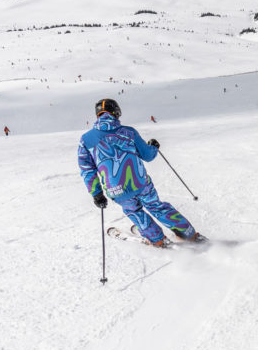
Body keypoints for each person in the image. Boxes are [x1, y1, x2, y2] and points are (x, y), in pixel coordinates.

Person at [77, 98, 204, 247]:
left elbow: (87, 169)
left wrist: (96, 193)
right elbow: (147, 156)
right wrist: (153, 147)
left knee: (134, 211)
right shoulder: (128, 132)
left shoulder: (86, 139)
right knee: (156, 206)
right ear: (116, 113)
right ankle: (189, 234)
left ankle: (157, 239)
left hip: (116, 189)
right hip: (140, 182)